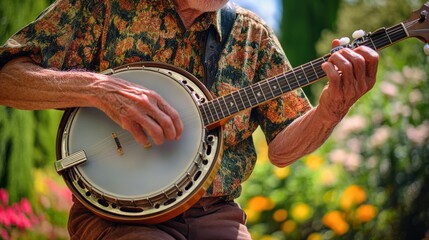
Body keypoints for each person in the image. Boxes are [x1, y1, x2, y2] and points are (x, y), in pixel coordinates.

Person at [0, 0, 379, 239]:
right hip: (120, 219)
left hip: (216, 215)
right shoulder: (103, 8)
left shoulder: (251, 36)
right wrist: (99, 90)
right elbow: (7, 79)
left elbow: (282, 149)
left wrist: (331, 109)